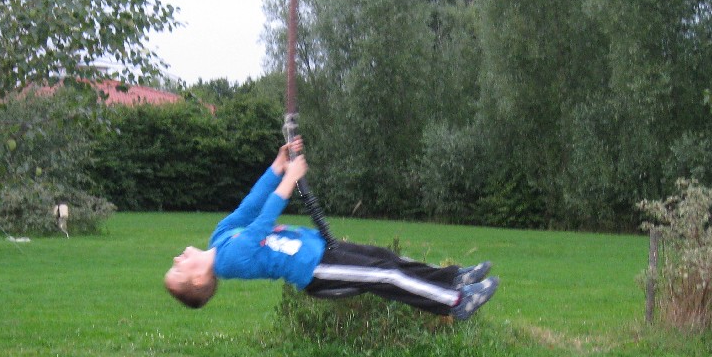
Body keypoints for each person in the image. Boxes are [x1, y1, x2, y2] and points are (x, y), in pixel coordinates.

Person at [164, 141, 498, 319]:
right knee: (387, 276)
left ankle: (453, 278)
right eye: (178, 270)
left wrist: (276, 168)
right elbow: (261, 224)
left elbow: (249, 208)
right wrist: (290, 180)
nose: (177, 259)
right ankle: (456, 302)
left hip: (321, 249)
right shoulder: (228, 262)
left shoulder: (219, 238)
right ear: (199, 280)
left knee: (388, 259)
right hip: (318, 271)